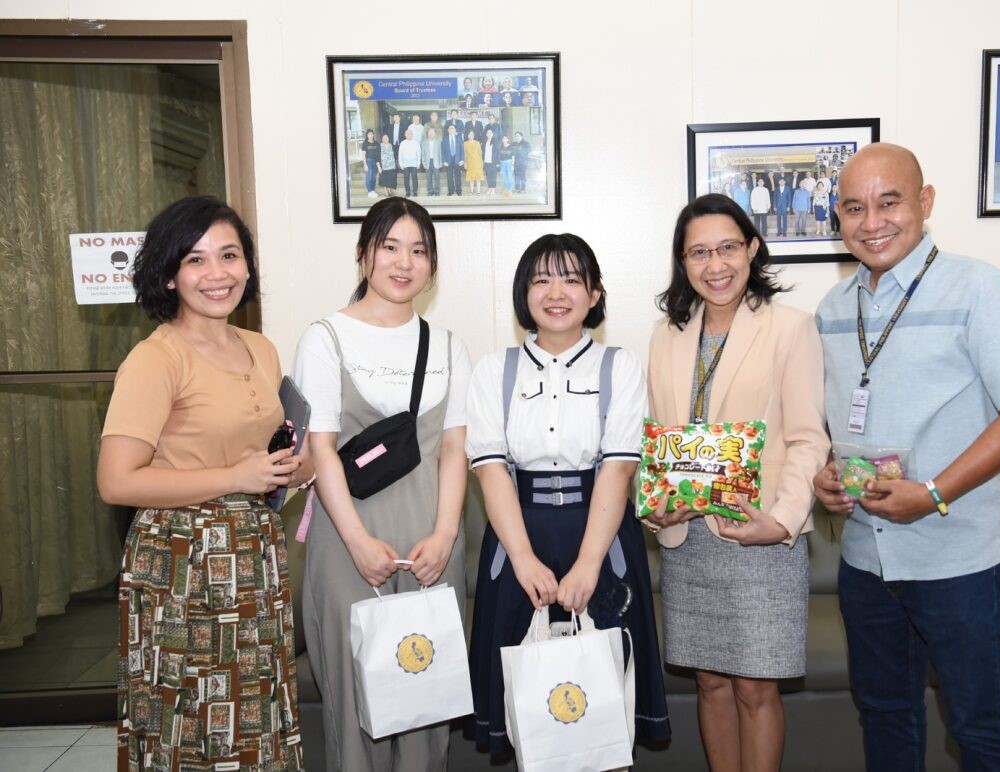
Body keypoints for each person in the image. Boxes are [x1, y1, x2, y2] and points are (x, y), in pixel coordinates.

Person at [811, 143, 1000, 771]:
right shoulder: (833, 310)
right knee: (887, 720)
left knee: (985, 731)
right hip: (866, 560)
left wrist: (936, 492)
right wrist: (826, 480)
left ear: (925, 202)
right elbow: (834, 421)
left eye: (889, 202)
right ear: (837, 217)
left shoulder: (979, 287)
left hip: (961, 558)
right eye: (853, 208)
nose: (872, 222)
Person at [97, 196, 308, 770]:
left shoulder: (259, 346)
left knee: (255, 708)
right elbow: (116, 481)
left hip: (254, 557)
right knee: (189, 717)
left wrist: (293, 464)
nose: (217, 274)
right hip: (183, 563)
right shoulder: (155, 358)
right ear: (169, 274)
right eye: (195, 260)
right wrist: (237, 475)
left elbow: (264, 449)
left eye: (229, 255)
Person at [463, 233, 672, 761]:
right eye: (541, 279)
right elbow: (491, 473)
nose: (556, 292)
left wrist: (587, 564)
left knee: (601, 696)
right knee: (523, 703)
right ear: (524, 293)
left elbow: (619, 469)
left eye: (572, 279)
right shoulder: (494, 370)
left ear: (595, 294)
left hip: (600, 535)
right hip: (518, 536)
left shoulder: (618, 366)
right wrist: (525, 559)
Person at [645, 193, 829, 772]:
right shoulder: (666, 335)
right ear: (683, 260)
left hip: (759, 535)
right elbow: (656, 435)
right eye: (699, 252)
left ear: (751, 248)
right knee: (709, 683)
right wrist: (657, 507)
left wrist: (782, 519)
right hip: (688, 540)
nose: (715, 265)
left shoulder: (790, 329)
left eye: (727, 247)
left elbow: (807, 437)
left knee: (755, 688)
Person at [292, 197, 471, 772]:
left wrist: (445, 536)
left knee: (427, 699)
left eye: (419, 250)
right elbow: (320, 449)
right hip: (349, 543)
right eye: (390, 246)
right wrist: (358, 543)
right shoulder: (326, 338)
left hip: (431, 544)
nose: (404, 262)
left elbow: (453, 449)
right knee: (354, 705)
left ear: (432, 265)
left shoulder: (448, 345)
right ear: (364, 254)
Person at [441, 122, 464, 196]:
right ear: (448, 130)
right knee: (449, 176)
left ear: (455, 130)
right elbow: (443, 151)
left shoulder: (459, 138)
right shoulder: (445, 139)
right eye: (450, 129)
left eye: (453, 128)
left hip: (457, 159)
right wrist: (444, 161)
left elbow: (462, 150)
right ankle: (450, 191)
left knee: (458, 176)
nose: (451, 130)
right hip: (448, 160)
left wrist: (462, 159)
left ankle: (459, 190)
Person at [398, 128, 421, 197]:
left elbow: (419, 153)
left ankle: (415, 191)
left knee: (414, 177)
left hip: (414, 163)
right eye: (407, 134)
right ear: (405, 135)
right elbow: (400, 154)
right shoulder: (402, 143)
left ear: (412, 135)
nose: (408, 135)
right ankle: (407, 192)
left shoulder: (416, 142)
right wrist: (401, 163)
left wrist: (418, 163)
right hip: (405, 164)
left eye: (410, 134)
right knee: (406, 178)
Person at [421, 126, 443, 196]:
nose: (430, 134)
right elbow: (423, 154)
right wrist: (423, 162)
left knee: (437, 177)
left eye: (432, 132)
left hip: (436, 161)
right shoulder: (424, 142)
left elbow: (440, 153)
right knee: (428, 177)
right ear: (427, 134)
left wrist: (441, 162)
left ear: (435, 134)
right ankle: (430, 191)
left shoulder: (438, 142)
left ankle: (437, 191)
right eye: (429, 132)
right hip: (428, 162)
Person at [361, 128, 382, 199]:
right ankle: (370, 191)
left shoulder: (377, 143)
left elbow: (378, 155)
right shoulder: (365, 143)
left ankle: (373, 191)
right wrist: (365, 164)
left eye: (372, 134)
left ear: (373, 135)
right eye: (369, 134)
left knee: (374, 177)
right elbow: (363, 154)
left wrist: (378, 165)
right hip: (369, 161)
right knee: (369, 177)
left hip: (375, 162)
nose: (371, 135)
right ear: (367, 135)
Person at [463, 128, 484, 195]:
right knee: (471, 178)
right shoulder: (465, 144)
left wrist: (481, 162)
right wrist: (465, 163)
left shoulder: (477, 143)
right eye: (469, 135)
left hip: (477, 162)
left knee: (478, 177)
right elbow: (465, 154)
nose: (471, 136)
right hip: (470, 162)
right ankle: (471, 191)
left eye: (472, 135)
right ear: (468, 136)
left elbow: (480, 153)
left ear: (474, 135)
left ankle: (478, 191)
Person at [482, 128, 498, 195]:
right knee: (488, 176)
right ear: (486, 134)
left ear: (492, 134)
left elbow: (498, 153)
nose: (489, 134)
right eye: (488, 133)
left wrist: (497, 162)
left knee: (493, 176)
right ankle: (489, 188)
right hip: (486, 162)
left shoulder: (495, 141)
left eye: (490, 133)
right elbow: (482, 152)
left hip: (493, 162)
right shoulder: (484, 142)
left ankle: (493, 189)